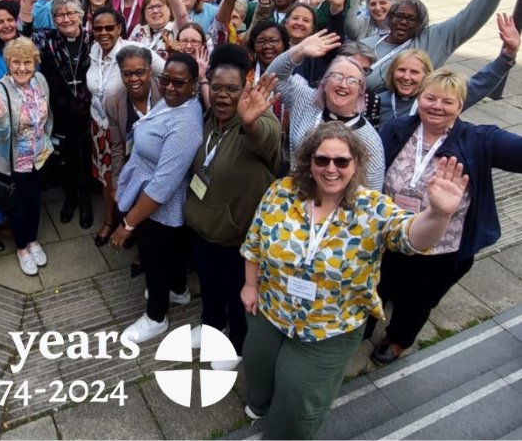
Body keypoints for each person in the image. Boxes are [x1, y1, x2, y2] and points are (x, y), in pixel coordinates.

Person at [240, 121, 470, 439]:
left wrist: (438, 215)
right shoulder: (282, 191)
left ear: (356, 164)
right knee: (258, 364)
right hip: (271, 308)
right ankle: (260, 405)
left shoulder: (371, 208)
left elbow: (410, 237)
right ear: (309, 162)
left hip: (329, 326)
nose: (331, 168)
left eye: (341, 161)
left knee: (298, 396)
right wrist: (250, 285)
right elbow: (254, 242)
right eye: (322, 160)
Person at [371, 66, 522, 365]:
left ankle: (398, 339)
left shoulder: (479, 139)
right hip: (390, 238)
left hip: (440, 249)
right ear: (420, 97)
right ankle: (369, 321)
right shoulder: (397, 128)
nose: (437, 106)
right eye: (431, 98)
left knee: (418, 300)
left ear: (460, 106)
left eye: (447, 101)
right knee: (381, 283)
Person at [185, 46, 281, 360]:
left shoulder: (259, 122)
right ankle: (211, 324)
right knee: (210, 287)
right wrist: (202, 80)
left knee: (237, 293)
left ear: (246, 89)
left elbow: (264, 136)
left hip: (237, 239)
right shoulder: (212, 117)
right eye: (217, 88)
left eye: (231, 89)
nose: (222, 96)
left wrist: (251, 122)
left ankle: (237, 344)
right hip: (203, 231)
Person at [109, 53, 204, 343]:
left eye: (179, 82)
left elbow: (163, 185)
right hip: (146, 194)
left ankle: (155, 317)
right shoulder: (173, 103)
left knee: (154, 260)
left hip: (159, 208)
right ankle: (178, 292)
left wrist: (127, 224)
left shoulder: (186, 123)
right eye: (166, 80)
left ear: (194, 85)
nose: (170, 87)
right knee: (169, 258)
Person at [361, 0, 520, 93]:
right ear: (390, 18)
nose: (403, 22)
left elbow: (469, 17)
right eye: (399, 16)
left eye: (411, 19)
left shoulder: (434, 39)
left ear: (421, 24)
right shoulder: (366, 45)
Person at [268, 30, 386, 189]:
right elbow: (274, 77)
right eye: (337, 76)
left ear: (361, 90)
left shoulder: (369, 139)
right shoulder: (304, 100)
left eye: (352, 80)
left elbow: (373, 195)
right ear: (324, 81)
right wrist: (299, 50)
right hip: (295, 201)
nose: (343, 85)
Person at [0, 38, 54, 276]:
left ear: (35, 63)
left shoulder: (40, 81)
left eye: (27, 62)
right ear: (8, 64)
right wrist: (0, 118)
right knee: (19, 207)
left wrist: (47, 140)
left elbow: (46, 115)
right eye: (16, 62)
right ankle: (22, 248)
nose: (22, 68)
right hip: (15, 162)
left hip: (39, 156)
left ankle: (33, 240)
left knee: (35, 202)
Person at [378, 15, 518, 126]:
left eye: (414, 72)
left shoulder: (442, 98)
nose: (406, 77)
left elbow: (481, 83)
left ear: (426, 75)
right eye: (401, 70)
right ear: (392, 73)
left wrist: (507, 55)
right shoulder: (378, 101)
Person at [102, 45, 163, 248]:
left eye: (140, 72)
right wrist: (118, 181)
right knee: (129, 207)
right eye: (127, 74)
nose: (134, 79)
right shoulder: (113, 102)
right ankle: (138, 238)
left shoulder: (165, 93)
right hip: (135, 165)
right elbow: (118, 145)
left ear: (149, 70)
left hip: (163, 164)